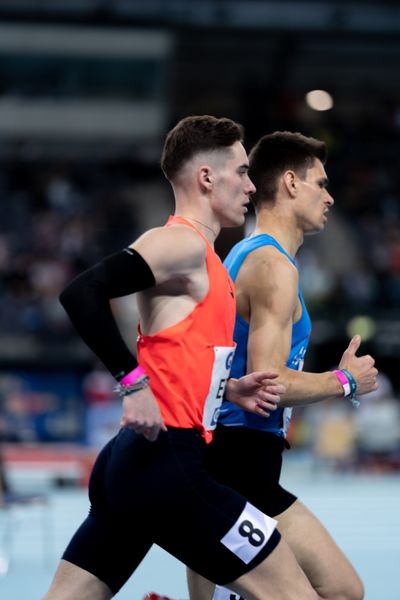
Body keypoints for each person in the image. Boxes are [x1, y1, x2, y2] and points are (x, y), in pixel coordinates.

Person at [42, 116, 325, 600]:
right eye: (241, 171)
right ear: (207, 178)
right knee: (294, 593)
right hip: (169, 462)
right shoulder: (181, 243)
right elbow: (80, 292)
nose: (251, 186)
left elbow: (176, 349)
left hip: (132, 467)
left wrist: (225, 389)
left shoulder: (209, 259)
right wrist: (132, 384)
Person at [187, 131, 379, 600]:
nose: (330, 197)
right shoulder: (274, 267)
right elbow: (266, 385)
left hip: (228, 455)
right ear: (291, 184)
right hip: (240, 460)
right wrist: (346, 382)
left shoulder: (240, 255)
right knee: (341, 589)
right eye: (321, 184)